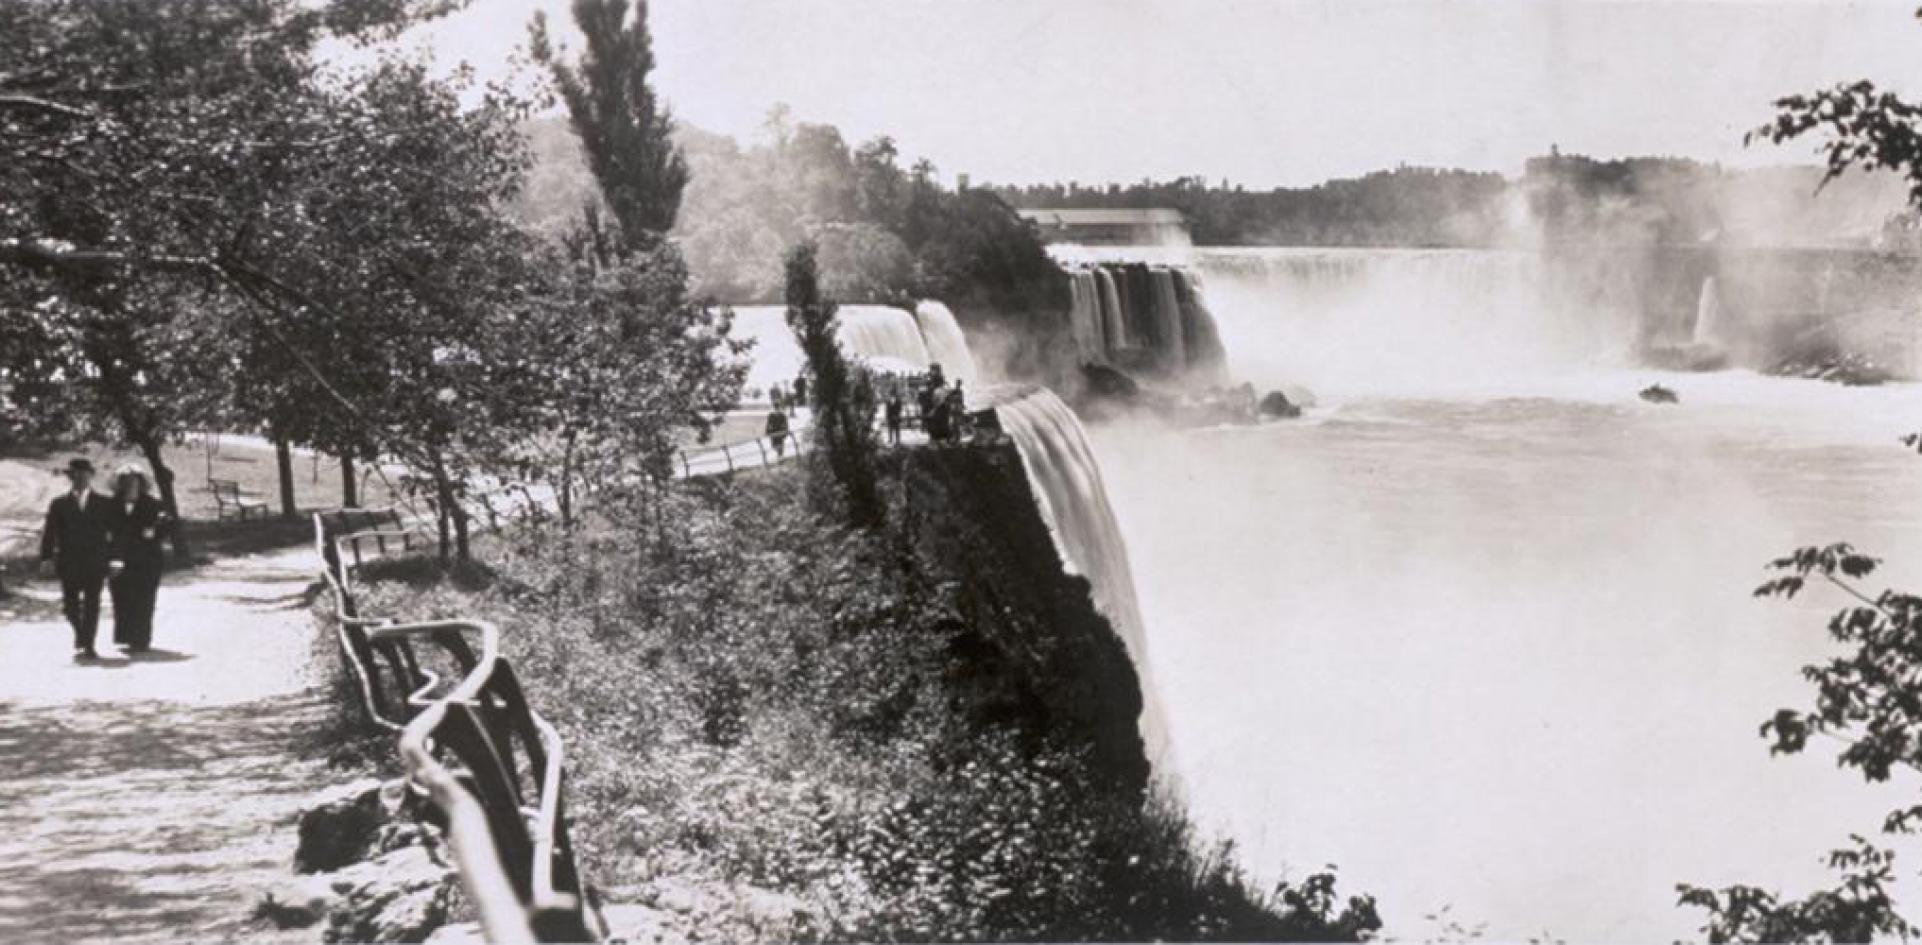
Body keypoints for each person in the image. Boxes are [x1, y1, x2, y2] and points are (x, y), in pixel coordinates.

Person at [39, 458, 117, 660]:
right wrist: (46, 557)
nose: (80, 478)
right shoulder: (59, 504)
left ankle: (89, 644)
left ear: (91, 476)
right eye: (75, 474)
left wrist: (115, 558)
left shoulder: (104, 504)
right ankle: (80, 633)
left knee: (93, 603)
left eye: (84, 474)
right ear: (70, 477)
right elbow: (50, 533)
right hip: (69, 561)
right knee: (70, 605)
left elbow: (115, 534)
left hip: (95, 561)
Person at [110, 464, 169, 653]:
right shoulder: (111, 504)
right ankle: (125, 635)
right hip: (119, 560)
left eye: (135, 482)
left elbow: (168, 526)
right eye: (126, 482)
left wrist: (155, 532)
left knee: (144, 599)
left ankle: (141, 638)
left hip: (147, 561)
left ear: (141, 484)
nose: (130, 486)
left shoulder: (153, 504)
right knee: (122, 598)